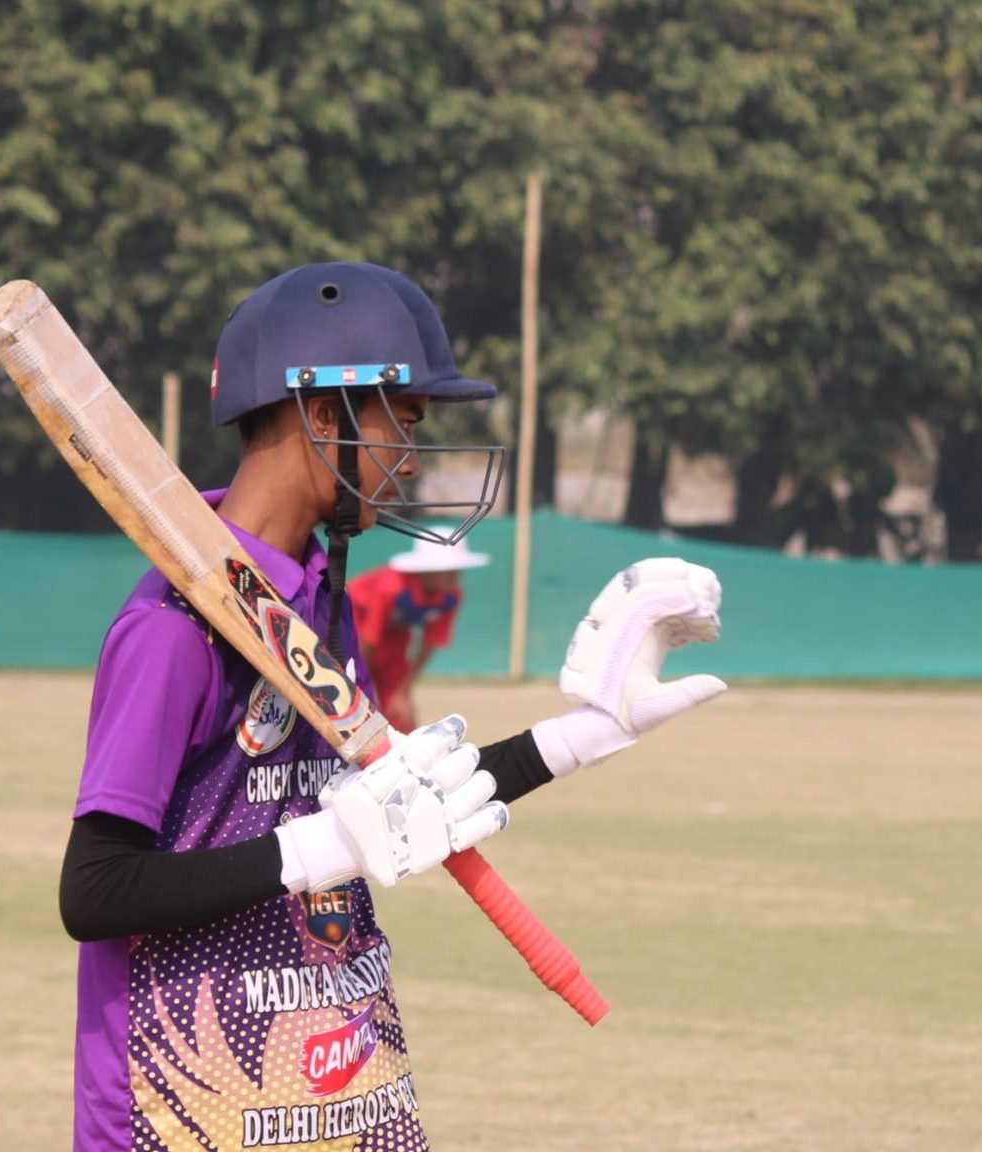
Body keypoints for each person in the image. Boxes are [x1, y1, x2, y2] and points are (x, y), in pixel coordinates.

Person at [55, 262, 727, 1151]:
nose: (411, 457)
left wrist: (583, 736)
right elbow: (96, 892)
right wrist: (322, 847)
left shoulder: (320, 600)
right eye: (402, 422)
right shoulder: (171, 631)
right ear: (322, 413)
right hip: (184, 1103)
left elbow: (399, 796)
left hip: (341, 1084)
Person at [347, 534, 490, 730]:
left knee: (401, 714)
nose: (455, 576)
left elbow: (430, 643)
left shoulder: (451, 597)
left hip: (396, 634)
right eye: (448, 570)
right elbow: (368, 640)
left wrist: (402, 692)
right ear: (427, 570)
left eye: (458, 569)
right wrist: (355, 686)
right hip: (354, 624)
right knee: (356, 708)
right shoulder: (390, 586)